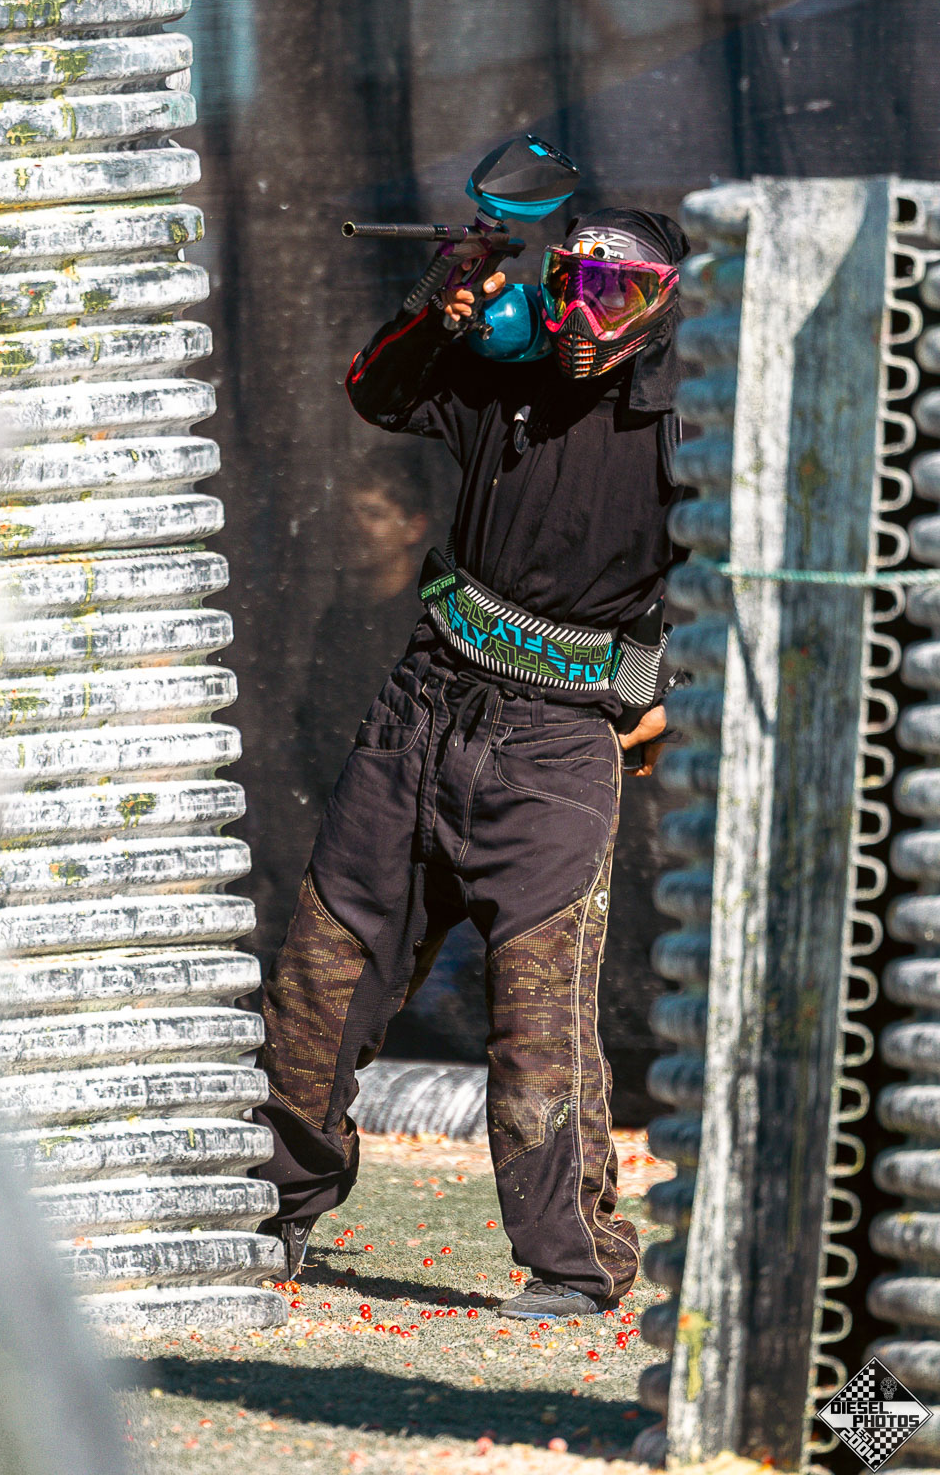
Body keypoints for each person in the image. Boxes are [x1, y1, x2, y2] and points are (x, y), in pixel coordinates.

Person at [254, 207, 690, 1321]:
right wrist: (442, 296)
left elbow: (748, 575)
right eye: (574, 288)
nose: (587, 321)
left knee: (542, 1015)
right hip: (423, 704)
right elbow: (379, 392)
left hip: (557, 742)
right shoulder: (509, 370)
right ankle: (272, 1210)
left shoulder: (688, 425)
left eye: (618, 296)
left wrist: (656, 689)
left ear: (661, 305)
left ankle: (574, 1265)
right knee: (323, 972)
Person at [297, 471, 430, 810]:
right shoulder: (338, 621)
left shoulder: (430, 619)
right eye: (348, 513)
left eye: (373, 514)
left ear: (414, 527)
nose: (355, 527)